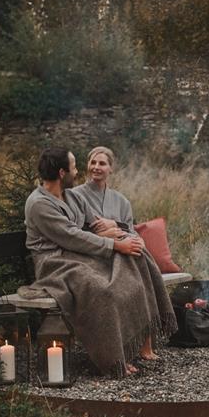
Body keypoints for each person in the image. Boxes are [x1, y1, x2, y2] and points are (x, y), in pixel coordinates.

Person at [24, 148, 177, 377]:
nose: (78, 171)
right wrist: (115, 245)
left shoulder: (72, 196)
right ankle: (113, 358)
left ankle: (141, 341)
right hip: (55, 263)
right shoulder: (39, 204)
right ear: (62, 172)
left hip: (79, 255)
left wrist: (120, 235)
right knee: (104, 291)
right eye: (74, 167)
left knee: (135, 260)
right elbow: (71, 236)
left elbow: (94, 223)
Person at [72, 145, 165, 360]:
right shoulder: (76, 196)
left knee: (139, 273)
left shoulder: (121, 201)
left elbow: (130, 232)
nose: (96, 167)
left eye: (102, 163)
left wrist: (114, 224)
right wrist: (109, 234)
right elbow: (79, 230)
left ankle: (145, 343)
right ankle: (129, 346)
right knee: (129, 282)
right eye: (93, 162)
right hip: (95, 258)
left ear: (111, 169)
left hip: (124, 253)